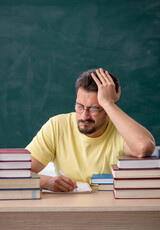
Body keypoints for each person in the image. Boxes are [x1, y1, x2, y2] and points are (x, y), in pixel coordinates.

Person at [26, 68, 155, 192]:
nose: (84, 116)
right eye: (79, 106)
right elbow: (18, 172)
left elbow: (143, 147)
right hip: (69, 208)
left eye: (94, 109)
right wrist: (44, 182)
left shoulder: (122, 130)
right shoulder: (57, 126)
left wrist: (108, 103)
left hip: (111, 209)